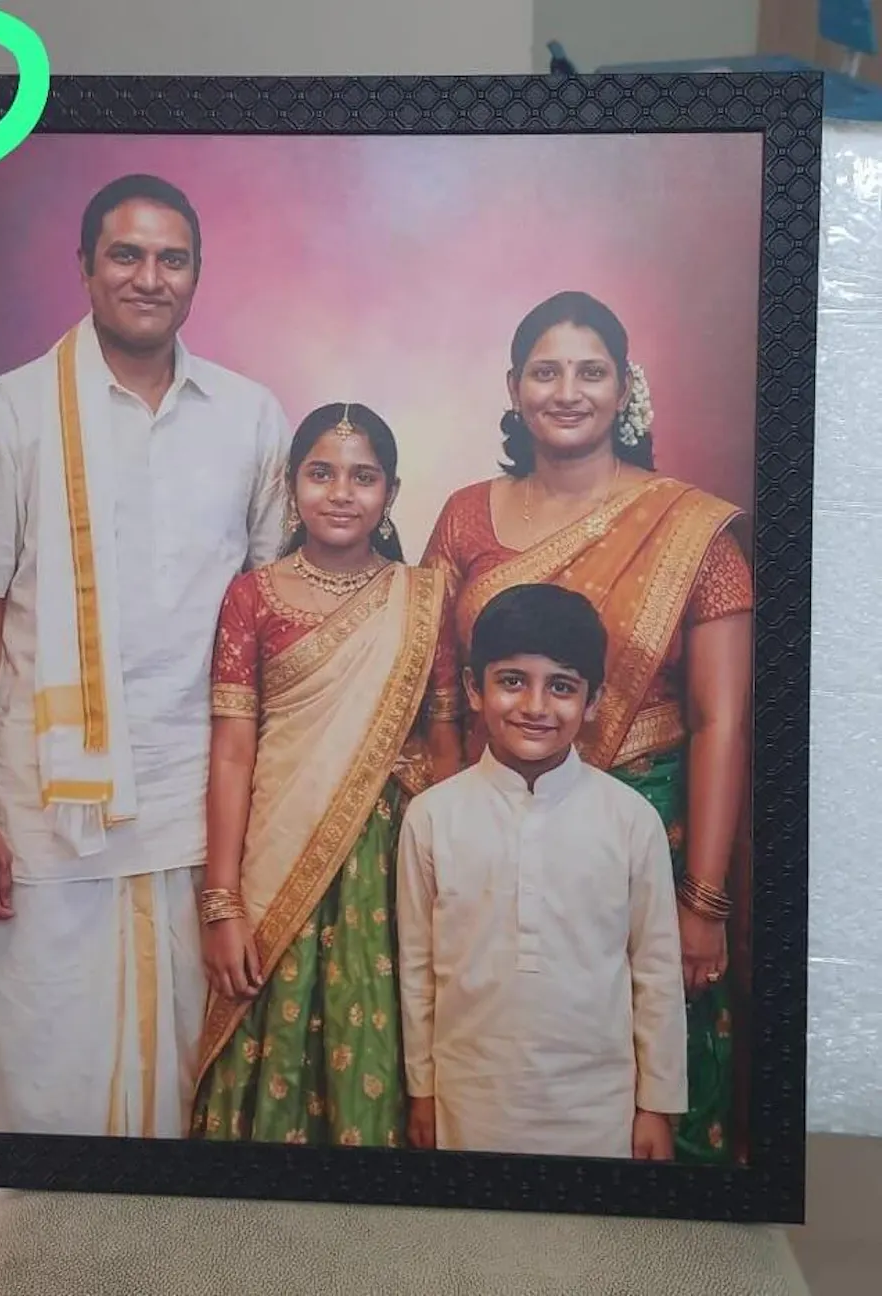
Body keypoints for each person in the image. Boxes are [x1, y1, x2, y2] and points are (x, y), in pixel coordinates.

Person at [0, 173, 291, 1138]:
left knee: (184, 1070)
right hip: (43, 808)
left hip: (194, 804)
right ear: (86, 267)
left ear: (197, 274)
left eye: (171, 258)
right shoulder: (11, 411)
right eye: (126, 254)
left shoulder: (249, 415)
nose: (149, 277)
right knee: (40, 1063)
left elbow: (271, 613)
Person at [421, 291, 753, 1165]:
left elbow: (721, 721)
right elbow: (441, 699)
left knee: (655, 1052)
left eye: (591, 372)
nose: (567, 392)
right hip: (492, 827)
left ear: (624, 387)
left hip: (651, 828)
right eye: (546, 371)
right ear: (514, 388)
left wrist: (704, 899)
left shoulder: (694, 529)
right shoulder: (464, 517)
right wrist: (454, 836)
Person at [190, 403, 451, 1147]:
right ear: (291, 483)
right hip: (276, 851)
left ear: (391, 492)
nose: (341, 493)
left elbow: (447, 744)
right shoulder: (252, 596)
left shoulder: (423, 597)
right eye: (321, 473)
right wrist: (221, 902)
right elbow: (232, 752)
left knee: (378, 1027)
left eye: (363, 477)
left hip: (386, 863)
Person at [397, 582, 687, 1160]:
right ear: (474, 689)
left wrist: (655, 1106)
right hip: (468, 1101)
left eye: (561, 686)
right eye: (512, 681)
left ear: (593, 700)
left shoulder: (630, 820)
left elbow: (656, 971)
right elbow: (417, 968)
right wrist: (422, 1092)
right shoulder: (431, 817)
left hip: (598, 1107)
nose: (535, 706)